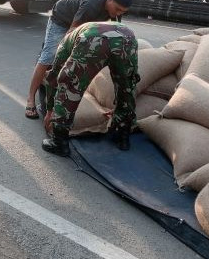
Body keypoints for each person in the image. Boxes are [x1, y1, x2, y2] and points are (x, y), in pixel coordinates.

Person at [24, 0, 133, 119]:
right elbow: (71, 33)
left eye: (123, 12)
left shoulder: (115, 13)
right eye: (117, 9)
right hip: (62, 19)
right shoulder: (91, 5)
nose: (118, 14)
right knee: (50, 55)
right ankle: (30, 99)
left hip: (84, 24)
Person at [41, 21, 139, 157]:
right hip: (127, 37)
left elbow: (54, 78)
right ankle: (123, 136)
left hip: (91, 39)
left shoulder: (64, 43)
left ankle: (60, 143)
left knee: (69, 86)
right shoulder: (87, 28)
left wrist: (50, 110)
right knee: (126, 87)